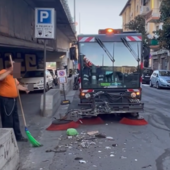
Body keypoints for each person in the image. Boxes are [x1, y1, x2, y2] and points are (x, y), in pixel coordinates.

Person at [0, 61, 29, 142]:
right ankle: (8, 138)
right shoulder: (3, 72)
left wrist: (25, 89)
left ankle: (18, 136)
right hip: (6, 100)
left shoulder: (13, 76)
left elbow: (17, 85)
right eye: (16, 68)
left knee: (15, 118)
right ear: (10, 67)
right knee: (8, 119)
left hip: (14, 99)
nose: (17, 70)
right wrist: (9, 71)